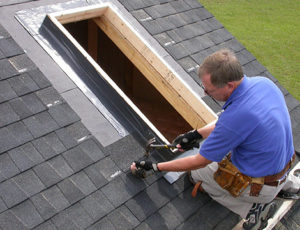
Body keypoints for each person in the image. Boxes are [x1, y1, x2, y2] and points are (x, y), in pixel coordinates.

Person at [131, 49, 298, 230]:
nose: (205, 92)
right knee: (226, 150)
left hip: (260, 185)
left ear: (230, 85)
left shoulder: (236, 118)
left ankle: (253, 207)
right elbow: (232, 124)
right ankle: (288, 187)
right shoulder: (262, 84)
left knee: (196, 177)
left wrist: (155, 167)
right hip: (283, 164)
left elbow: (199, 161)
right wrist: (196, 134)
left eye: (209, 90)